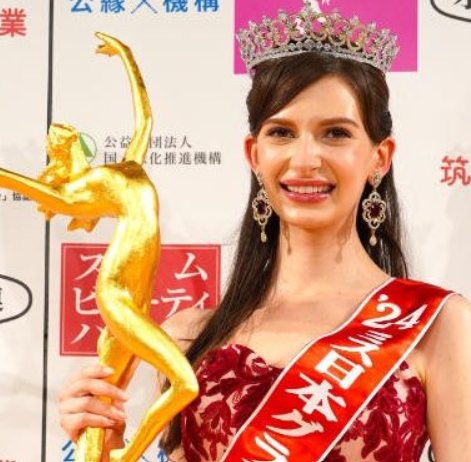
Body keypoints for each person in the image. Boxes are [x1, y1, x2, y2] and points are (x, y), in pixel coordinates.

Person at [58, 3, 471, 462]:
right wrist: (102, 446)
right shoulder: (188, 338)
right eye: (281, 133)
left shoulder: (435, 324)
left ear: (380, 157)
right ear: (255, 155)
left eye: (335, 133)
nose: (305, 159)